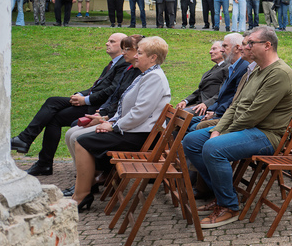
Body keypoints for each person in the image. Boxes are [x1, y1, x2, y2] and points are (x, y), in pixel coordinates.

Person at [183, 26, 292, 227]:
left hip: (266, 134)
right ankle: (223, 193)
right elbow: (235, 105)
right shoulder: (256, 71)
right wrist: (217, 129)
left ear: (267, 45)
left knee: (213, 147)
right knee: (191, 141)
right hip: (248, 128)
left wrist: (219, 133)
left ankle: (229, 206)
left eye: (250, 43)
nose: (245, 46)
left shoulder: (279, 73)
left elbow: (254, 115)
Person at [72, 37, 172, 212]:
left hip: (141, 136)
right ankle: (83, 192)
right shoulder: (146, 74)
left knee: (83, 142)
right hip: (134, 131)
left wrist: (113, 126)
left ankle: (81, 196)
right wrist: (109, 120)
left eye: (140, 53)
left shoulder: (154, 77)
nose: (135, 57)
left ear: (153, 57)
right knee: (84, 139)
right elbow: (125, 106)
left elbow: (139, 113)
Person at [11, 32, 129, 173]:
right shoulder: (114, 63)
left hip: (99, 108)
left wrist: (85, 100)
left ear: (123, 47)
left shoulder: (123, 64)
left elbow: (112, 91)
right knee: (53, 106)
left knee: (53, 110)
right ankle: (36, 153)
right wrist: (81, 94)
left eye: (112, 41)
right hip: (92, 101)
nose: (107, 43)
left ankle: (35, 152)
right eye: (108, 40)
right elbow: (98, 86)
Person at [62, 35, 143, 171]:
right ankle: (82, 178)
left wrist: (108, 120)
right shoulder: (129, 70)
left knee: (78, 137)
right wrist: (104, 112)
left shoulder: (144, 75)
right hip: (114, 117)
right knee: (71, 132)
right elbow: (117, 96)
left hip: (128, 129)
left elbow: (135, 109)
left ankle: (91, 180)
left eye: (127, 49)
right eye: (123, 49)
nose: (123, 53)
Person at [190, 33, 249, 131]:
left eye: (225, 46)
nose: (221, 50)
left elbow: (234, 97)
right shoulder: (233, 67)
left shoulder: (243, 67)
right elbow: (223, 94)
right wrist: (212, 109)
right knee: (187, 121)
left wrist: (215, 112)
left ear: (237, 48)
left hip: (225, 115)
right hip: (217, 111)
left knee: (193, 127)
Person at [177, 41, 228, 115]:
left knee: (179, 115)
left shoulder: (227, 68)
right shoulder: (216, 68)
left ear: (223, 50)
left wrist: (206, 104)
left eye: (214, 49)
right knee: (174, 111)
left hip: (208, 107)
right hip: (198, 103)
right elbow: (201, 90)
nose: (210, 52)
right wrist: (185, 101)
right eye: (211, 49)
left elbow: (222, 92)